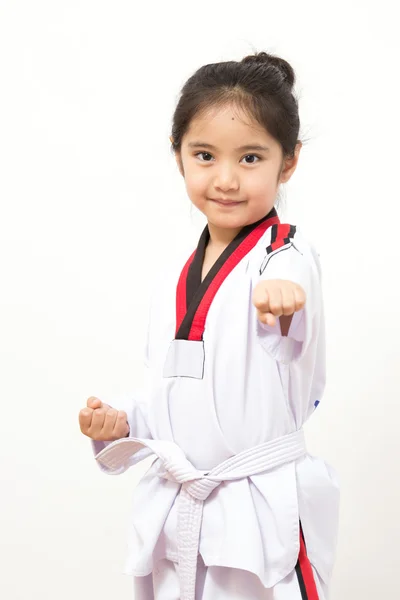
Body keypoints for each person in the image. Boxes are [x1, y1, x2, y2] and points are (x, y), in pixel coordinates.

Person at [79, 50, 340, 599]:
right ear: (179, 157)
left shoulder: (284, 253)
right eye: (205, 155)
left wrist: (284, 298)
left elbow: (288, 301)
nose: (225, 179)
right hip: (180, 507)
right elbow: (175, 391)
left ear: (287, 162)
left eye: (250, 158)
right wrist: (125, 421)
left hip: (256, 508)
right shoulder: (175, 274)